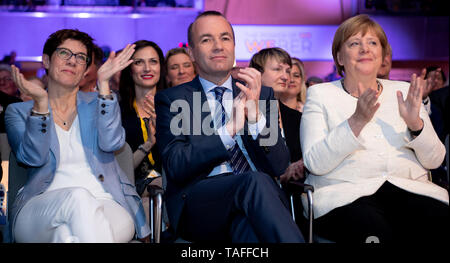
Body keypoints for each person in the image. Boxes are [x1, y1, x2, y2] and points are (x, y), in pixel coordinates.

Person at [155, 10, 304, 243]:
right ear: (192, 52)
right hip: (200, 203)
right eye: (207, 40)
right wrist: (228, 130)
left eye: (225, 38)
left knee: (249, 228)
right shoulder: (175, 99)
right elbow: (176, 165)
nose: (218, 46)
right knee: (254, 181)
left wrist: (255, 118)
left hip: (255, 202)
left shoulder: (260, 94)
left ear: (234, 46)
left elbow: (279, 164)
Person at [300, 14, 449, 243]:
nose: (364, 49)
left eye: (372, 43)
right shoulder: (321, 94)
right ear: (339, 57)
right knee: (375, 232)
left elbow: (435, 160)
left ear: (382, 55)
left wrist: (415, 125)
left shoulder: (403, 91)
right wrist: (356, 121)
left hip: (409, 190)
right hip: (346, 195)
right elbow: (314, 163)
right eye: (354, 43)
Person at [5, 29, 150, 243]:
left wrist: (103, 86)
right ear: (46, 60)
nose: (72, 61)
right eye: (64, 53)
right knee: (78, 197)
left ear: (85, 71)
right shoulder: (19, 112)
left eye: (80, 57)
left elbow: (113, 142)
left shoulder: (100, 102)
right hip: (41, 207)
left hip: (106, 202)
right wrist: (41, 106)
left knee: (65, 237)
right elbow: (32, 157)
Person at [249, 48, 304, 184]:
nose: (286, 77)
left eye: (287, 71)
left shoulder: (297, 118)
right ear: (257, 73)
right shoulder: (242, 112)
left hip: (294, 193)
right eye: (277, 69)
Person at [119, 40, 166, 196]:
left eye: (153, 62)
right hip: (130, 187)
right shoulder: (118, 112)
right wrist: (148, 144)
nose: (147, 68)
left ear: (161, 67)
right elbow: (118, 170)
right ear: (130, 69)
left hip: (170, 183)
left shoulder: (173, 107)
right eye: (139, 62)